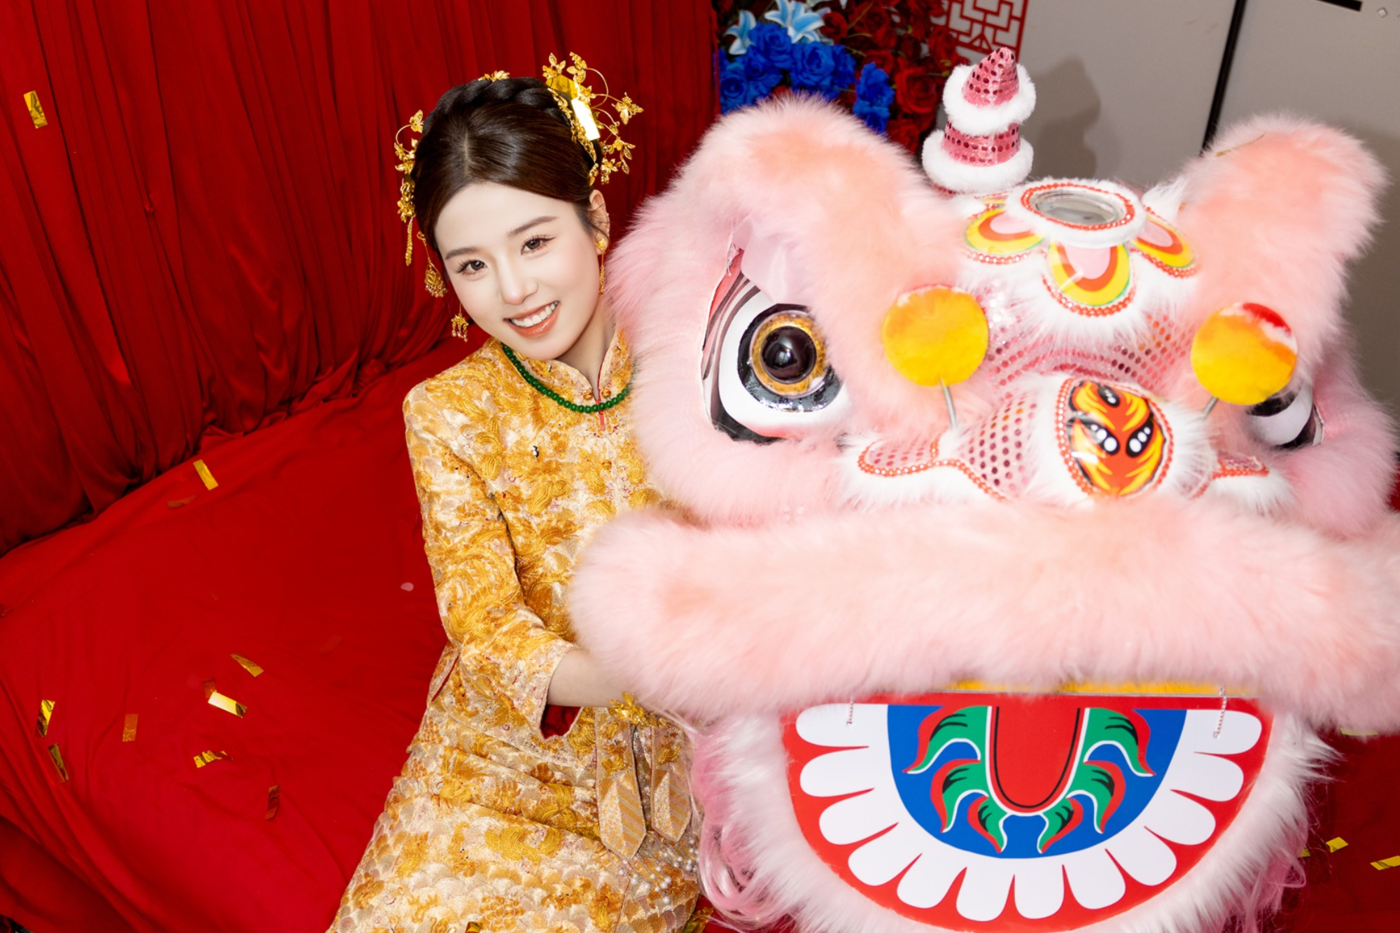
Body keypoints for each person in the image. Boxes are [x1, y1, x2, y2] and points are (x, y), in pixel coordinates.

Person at [328, 59, 700, 933]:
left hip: (668, 763)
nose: (514, 291)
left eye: (534, 242)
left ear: (595, 218)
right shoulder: (447, 412)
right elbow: (485, 623)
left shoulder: (698, 357)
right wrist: (633, 673)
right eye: (473, 264)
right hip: (496, 761)